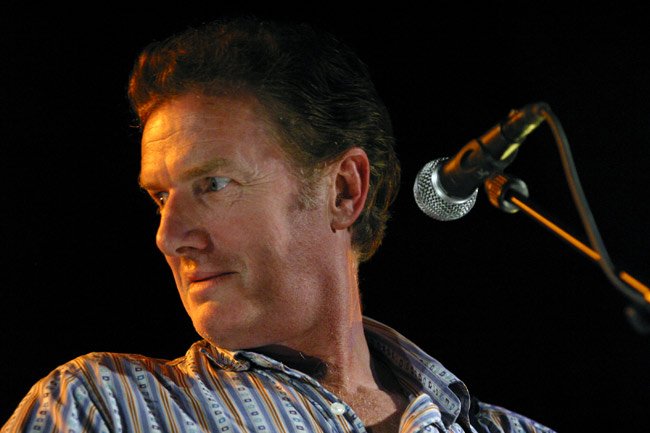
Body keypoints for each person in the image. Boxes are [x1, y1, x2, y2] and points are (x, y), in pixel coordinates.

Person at [2, 16, 556, 433]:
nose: (168, 237)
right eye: (160, 197)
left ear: (343, 191)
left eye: (213, 184)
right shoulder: (103, 405)